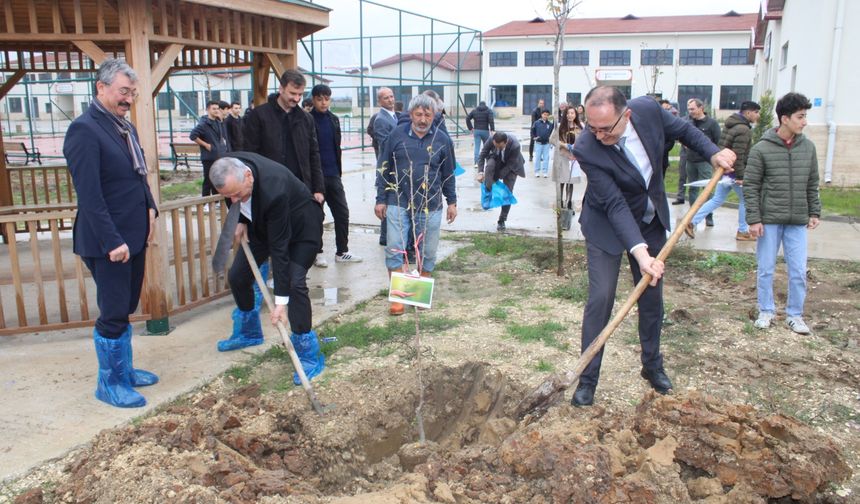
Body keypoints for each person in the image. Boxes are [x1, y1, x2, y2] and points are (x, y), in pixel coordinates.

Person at [570, 86, 736, 407]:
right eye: (592, 127)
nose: (598, 134)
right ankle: (587, 380)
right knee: (601, 298)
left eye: (606, 128)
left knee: (651, 297)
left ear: (626, 115)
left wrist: (713, 152)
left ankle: (652, 366)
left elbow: (685, 131)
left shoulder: (647, 110)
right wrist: (641, 253)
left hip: (650, 218)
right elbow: (615, 205)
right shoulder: (587, 146)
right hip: (606, 224)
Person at [63, 58, 159, 408]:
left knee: (127, 305)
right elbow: (89, 195)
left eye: (132, 93)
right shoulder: (84, 130)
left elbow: (139, 175)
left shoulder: (124, 127)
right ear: (101, 87)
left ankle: (125, 371)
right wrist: (112, 241)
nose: (128, 99)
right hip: (109, 241)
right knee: (114, 310)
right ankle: (109, 383)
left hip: (133, 235)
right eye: (123, 91)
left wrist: (151, 208)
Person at [210, 153, 326, 384]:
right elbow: (232, 196)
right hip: (263, 225)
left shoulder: (274, 189)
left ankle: (307, 353)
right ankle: (249, 332)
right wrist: (241, 219)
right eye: (228, 196)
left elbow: (279, 250)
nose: (233, 200)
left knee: (294, 283)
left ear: (248, 176)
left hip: (302, 228)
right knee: (238, 277)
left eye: (237, 195)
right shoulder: (227, 170)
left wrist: (280, 303)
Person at [744, 93, 820, 335]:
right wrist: (754, 218)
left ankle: (794, 315)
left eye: (805, 116)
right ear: (784, 119)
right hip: (769, 221)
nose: (804, 121)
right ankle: (766, 311)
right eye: (800, 117)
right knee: (766, 268)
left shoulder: (808, 148)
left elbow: (812, 182)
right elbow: (751, 185)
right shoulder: (761, 149)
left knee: (798, 270)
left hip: (797, 220)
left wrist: (814, 210)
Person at [375, 94, 457, 316]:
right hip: (398, 200)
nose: (423, 119)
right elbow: (383, 166)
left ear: (434, 116)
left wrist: (452, 202)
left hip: (430, 202)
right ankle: (399, 298)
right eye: (418, 114)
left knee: (427, 252)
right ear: (410, 114)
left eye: (427, 115)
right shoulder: (396, 136)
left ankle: (418, 295)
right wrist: (380, 198)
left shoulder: (442, 140)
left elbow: (448, 174)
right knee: (395, 248)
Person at [242, 69, 325, 265]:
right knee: (274, 241)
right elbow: (248, 157)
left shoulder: (306, 119)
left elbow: (314, 155)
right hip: (269, 192)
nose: (296, 98)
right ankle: (275, 278)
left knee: (297, 241)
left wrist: (319, 188)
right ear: (280, 89)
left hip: (300, 191)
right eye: (292, 93)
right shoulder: (259, 116)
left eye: (300, 94)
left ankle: (292, 279)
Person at [685, 100, 761, 241]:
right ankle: (743, 231)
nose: (758, 116)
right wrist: (740, 176)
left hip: (725, 169)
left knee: (717, 199)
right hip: (733, 171)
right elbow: (739, 154)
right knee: (746, 200)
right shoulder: (743, 129)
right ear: (748, 112)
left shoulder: (731, 124)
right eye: (756, 112)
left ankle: (691, 221)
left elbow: (722, 145)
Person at [310, 84, 362, 263]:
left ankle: (342, 251)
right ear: (313, 99)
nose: (324, 103)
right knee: (317, 216)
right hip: (316, 176)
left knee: (342, 212)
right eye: (320, 99)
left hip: (333, 174)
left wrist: (338, 172)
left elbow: (336, 147)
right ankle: (318, 252)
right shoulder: (307, 120)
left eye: (327, 99)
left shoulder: (333, 119)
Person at [681, 99, 721, 226]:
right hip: (690, 160)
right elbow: (682, 136)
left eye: (692, 109)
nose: (690, 112)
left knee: (707, 189)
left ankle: (708, 216)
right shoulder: (688, 122)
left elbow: (718, 141)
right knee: (692, 189)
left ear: (701, 108)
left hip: (705, 162)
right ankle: (693, 216)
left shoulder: (712, 124)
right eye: (689, 109)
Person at [477, 132, 525, 232]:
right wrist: (481, 173)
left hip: (511, 167)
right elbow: (482, 155)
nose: (497, 147)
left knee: (507, 193)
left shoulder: (515, 145)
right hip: (496, 160)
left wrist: (498, 177)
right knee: (489, 167)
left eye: (500, 146)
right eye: (495, 146)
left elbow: (510, 164)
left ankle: (502, 220)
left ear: (505, 142)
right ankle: (488, 197)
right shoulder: (491, 140)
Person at [372, 87, 399, 246]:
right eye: (386, 98)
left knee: (390, 203)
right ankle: (385, 237)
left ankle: (385, 236)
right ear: (379, 101)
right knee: (387, 202)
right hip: (388, 167)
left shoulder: (395, 116)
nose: (390, 100)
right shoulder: (381, 119)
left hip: (394, 167)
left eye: (391, 96)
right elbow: (386, 144)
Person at [550, 106, 583, 230]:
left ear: (575, 114)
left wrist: (576, 147)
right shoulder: (560, 127)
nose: (570, 115)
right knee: (562, 182)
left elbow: (584, 141)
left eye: (572, 113)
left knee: (570, 182)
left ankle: (569, 204)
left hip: (573, 159)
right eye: (568, 113)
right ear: (565, 115)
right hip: (562, 157)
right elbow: (552, 140)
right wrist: (564, 144)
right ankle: (561, 203)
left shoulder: (579, 128)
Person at [190, 99, 230, 196]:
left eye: (217, 108)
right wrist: (206, 145)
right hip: (209, 157)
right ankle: (205, 202)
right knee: (208, 179)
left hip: (219, 155)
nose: (216, 111)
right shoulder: (203, 124)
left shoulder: (218, 122)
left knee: (218, 178)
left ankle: (215, 201)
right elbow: (193, 136)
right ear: (208, 109)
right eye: (213, 109)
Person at [466, 101, 495, 166]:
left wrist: (471, 128)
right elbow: (491, 120)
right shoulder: (488, 111)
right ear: (485, 105)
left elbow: (467, 118)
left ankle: (476, 163)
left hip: (477, 131)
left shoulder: (474, 111)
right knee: (487, 147)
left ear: (479, 105)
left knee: (477, 147)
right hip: (485, 131)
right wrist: (492, 129)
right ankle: (488, 162)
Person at [531, 109, 553, 177]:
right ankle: (537, 171)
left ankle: (545, 171)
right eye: (544, 114)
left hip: (547, 143)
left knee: (546, 158)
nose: (545, 116)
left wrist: (551, 140)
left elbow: (552, 132)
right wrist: (534, 137)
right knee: (538, 157)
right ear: (541, 115)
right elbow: (532, 131)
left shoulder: (550, 124)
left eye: (547, 115)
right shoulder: (536, 123)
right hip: (538, 143)